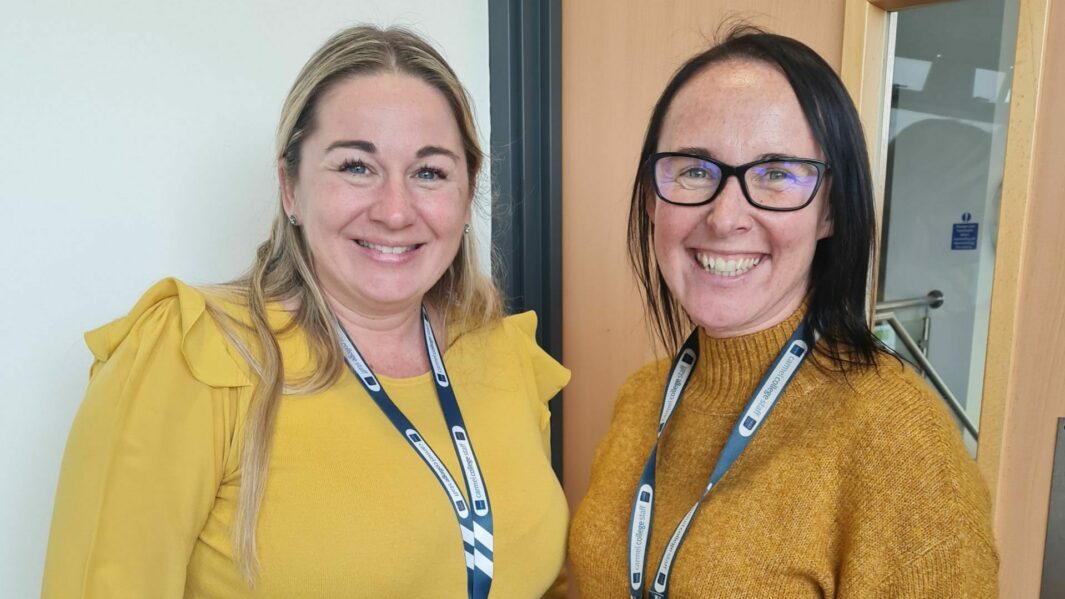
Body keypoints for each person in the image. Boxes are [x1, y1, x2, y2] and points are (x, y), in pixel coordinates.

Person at [42, 25, 569, 598]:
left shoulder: (505, 354)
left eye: (428, 172)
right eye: (356, 166)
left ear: (466, 195)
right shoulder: (192, 359)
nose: (395, 211)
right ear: (289, 186)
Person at [568, 26, 998, 598]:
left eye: (776, 174)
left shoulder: (899, 439)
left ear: (829, 212)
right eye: (695, 169)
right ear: (652, 198)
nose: (725, 217)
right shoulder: (643, 398)